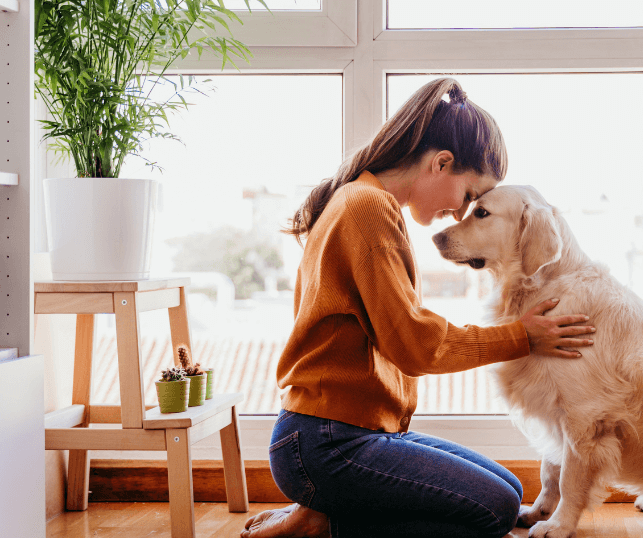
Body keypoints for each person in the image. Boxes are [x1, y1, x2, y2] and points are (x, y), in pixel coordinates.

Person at [240, 77, 597, 538]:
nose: (461, 213)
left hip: (350, 433)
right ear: (441, 163)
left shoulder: (364, 198)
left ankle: (323, 510)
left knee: (509, 489)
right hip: (326, 443)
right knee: (495, 509)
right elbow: (415, 345)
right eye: (468, 195)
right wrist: (521, 336)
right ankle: (325, 523)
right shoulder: (367, 208)